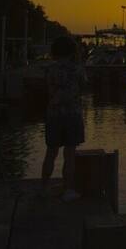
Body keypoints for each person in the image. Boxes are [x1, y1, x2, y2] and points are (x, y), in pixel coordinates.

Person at [41, 35, 88, 201]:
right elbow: (83, 86)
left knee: (51, 152)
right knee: (69, 154)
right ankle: (68, 190)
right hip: (72, 114)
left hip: (53, 114)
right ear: (72, 51)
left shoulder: (49, 69)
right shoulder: (77, 69)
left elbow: (47, 88)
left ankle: (44, 187)